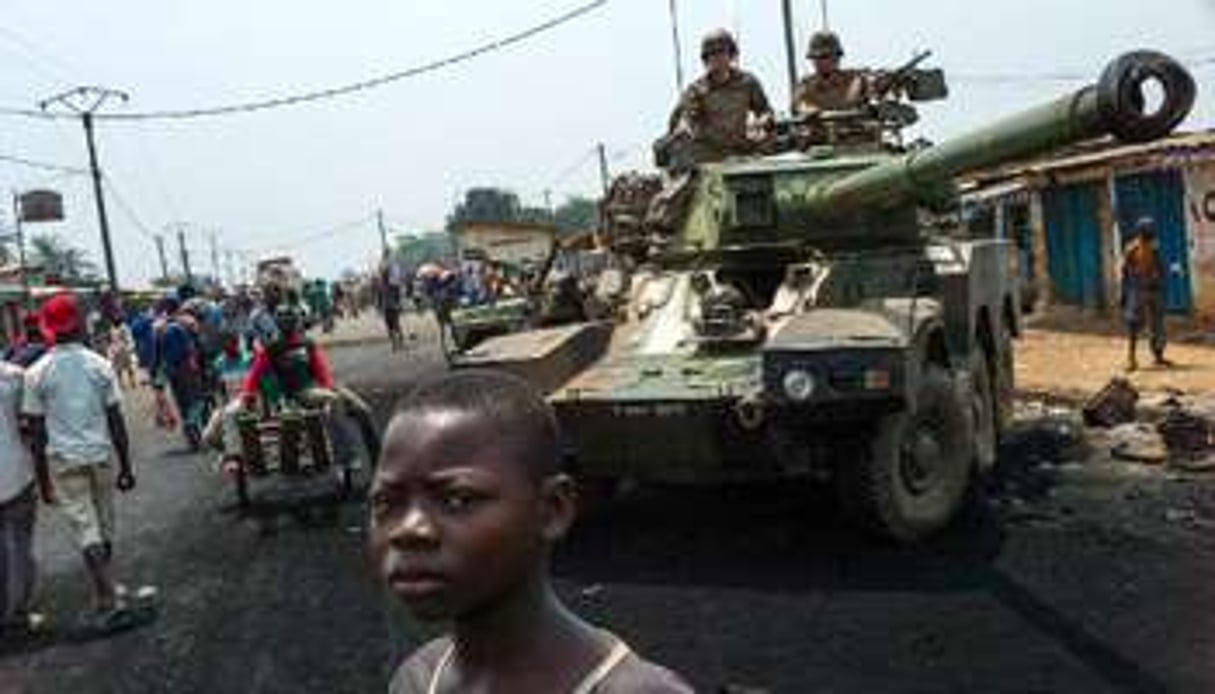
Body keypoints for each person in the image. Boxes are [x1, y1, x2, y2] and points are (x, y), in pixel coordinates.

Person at [370, 370, 693, 693]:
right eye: (385, 502)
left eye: (457, 499)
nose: (408, 529)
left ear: (553, 508)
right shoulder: (417, 680)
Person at [22, 293, 149, 632]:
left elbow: (36, 433)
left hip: (64, 462)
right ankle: (108, 594)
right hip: (101, 455)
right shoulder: (99, 364)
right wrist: (125, 465)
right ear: (78, 324)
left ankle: (107, 596)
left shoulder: (36, 374)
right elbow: (116, 420)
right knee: (103, 527)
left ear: (48, 328)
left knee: (86, 530)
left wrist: (42, 479)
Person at [664, 29, 774, 166]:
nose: (718, 58)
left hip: (740, 150)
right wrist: (684, 127)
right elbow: (688, 117)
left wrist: (760, 122)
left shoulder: (747, 82)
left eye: (722, 52)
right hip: (708, 154)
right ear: (706, 59)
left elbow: (765, 111)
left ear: (731, 55)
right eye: (712, 54)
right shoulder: (697, 90)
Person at [0, 359, 44, 636]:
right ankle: (17, 614)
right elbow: (30, 424)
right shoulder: (14, 376)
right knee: (20, 546)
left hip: (16, 473)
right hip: (15, 474)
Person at [792, 31, 883, 116]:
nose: (819, 62)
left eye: (825, 57)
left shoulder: (854, 79)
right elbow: (799, 105)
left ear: (837, 58)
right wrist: (812, 112)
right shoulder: (807, 84)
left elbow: (874, 88)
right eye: (815, 57)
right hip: (820, 131)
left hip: (855, 130)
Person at [1121, 217, 1171, 371]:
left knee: (1158, 324)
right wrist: (1124, 293)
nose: (1151, 233)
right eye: (1148, 230)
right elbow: (1125, 272)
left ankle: (1158, 356)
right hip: (1137, 290)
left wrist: (1160, 279)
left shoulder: (1155, 247)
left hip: (1154, 290)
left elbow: (1161, 267)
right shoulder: (1132, 249)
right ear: (1142, 231)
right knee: (1134, 324)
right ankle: (1131, 358)